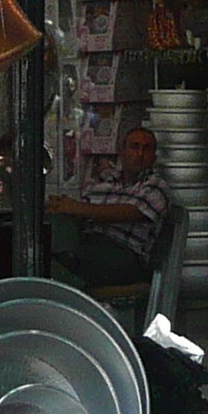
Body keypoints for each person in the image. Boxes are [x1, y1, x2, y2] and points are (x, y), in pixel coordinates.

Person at [49, 123, 174, 295]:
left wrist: (79, 208)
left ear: (153, 158)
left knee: (54, 263)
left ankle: (75, 282)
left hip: (123, 253)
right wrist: (61, 207)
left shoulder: (156, 186)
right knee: (57, 224)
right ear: (121, 154)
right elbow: (79, 213)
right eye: (134, 147)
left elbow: (130, 212)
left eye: (146, 149)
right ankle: (69, 267)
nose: (139, 154)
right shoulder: (103, 181)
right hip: (87, 243)